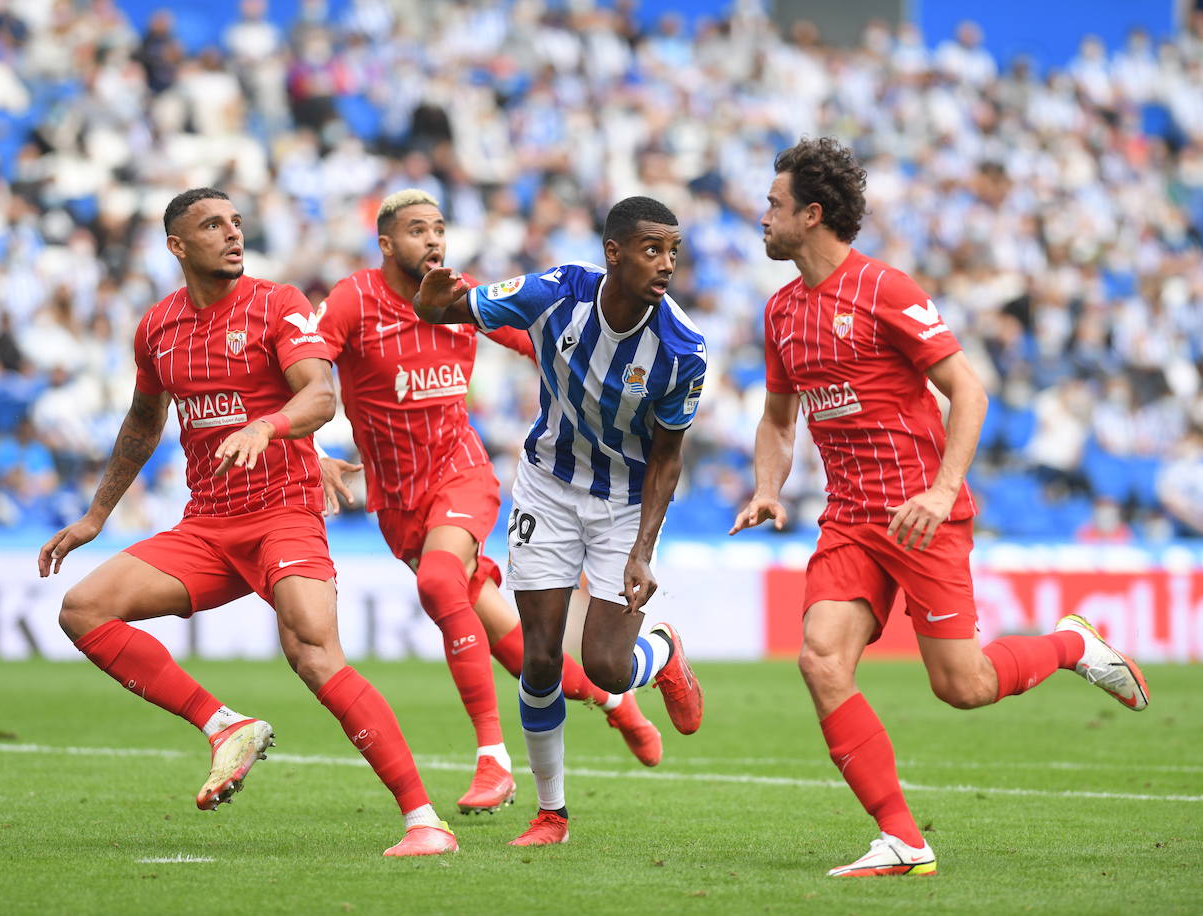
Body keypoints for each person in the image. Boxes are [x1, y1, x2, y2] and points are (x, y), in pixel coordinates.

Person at [730, 138, 1150, 877]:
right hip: (850, 517)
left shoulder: (887, 289)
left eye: (774, 204)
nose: (761, 215)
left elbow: (970, 390)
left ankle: (1073, 645)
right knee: (821, 660)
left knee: (965, 687)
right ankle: (902, 838)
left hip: (922, 512)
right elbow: (777, 417)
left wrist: (943, 489)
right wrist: (767, 486)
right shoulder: (780, 312)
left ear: (812, 214)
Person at [38, 188, 456, 857]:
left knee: (314, 656)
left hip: (283, 515)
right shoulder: (157, 328)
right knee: (83, 609)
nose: (232, 234)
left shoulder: (277, 304)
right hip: (206, 526)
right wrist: (96, 514)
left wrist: (270, 424)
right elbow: (143, 423)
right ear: (178, 246)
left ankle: (425, 822)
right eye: (212, 225)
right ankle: (223, 725)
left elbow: (321, 393)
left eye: (235, 222)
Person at [315, 190, 664, 815]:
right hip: (397, 502)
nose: (433, 240)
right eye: (417, 230)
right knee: (517, 640)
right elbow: (305, 369)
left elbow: (549, 342)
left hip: (461, 472)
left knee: (440, 581)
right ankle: (615, 701)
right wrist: (309, 447)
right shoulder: (351, 301)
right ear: (387, 244)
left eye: (440, 228)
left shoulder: (463, 296)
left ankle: (493, 760)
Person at [415, 195, 707, 847]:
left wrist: (642, 552)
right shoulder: (556, 291)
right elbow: (450, 309)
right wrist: (432, 300)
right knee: (540, 660)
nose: (665, 264)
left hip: (623, 504)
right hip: (547, 487)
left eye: (673, 251)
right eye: (652, 249)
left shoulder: (682, 348)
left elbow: (667, 458)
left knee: (604, 667)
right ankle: (552, 813)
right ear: (614, 253)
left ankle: (659, 654)